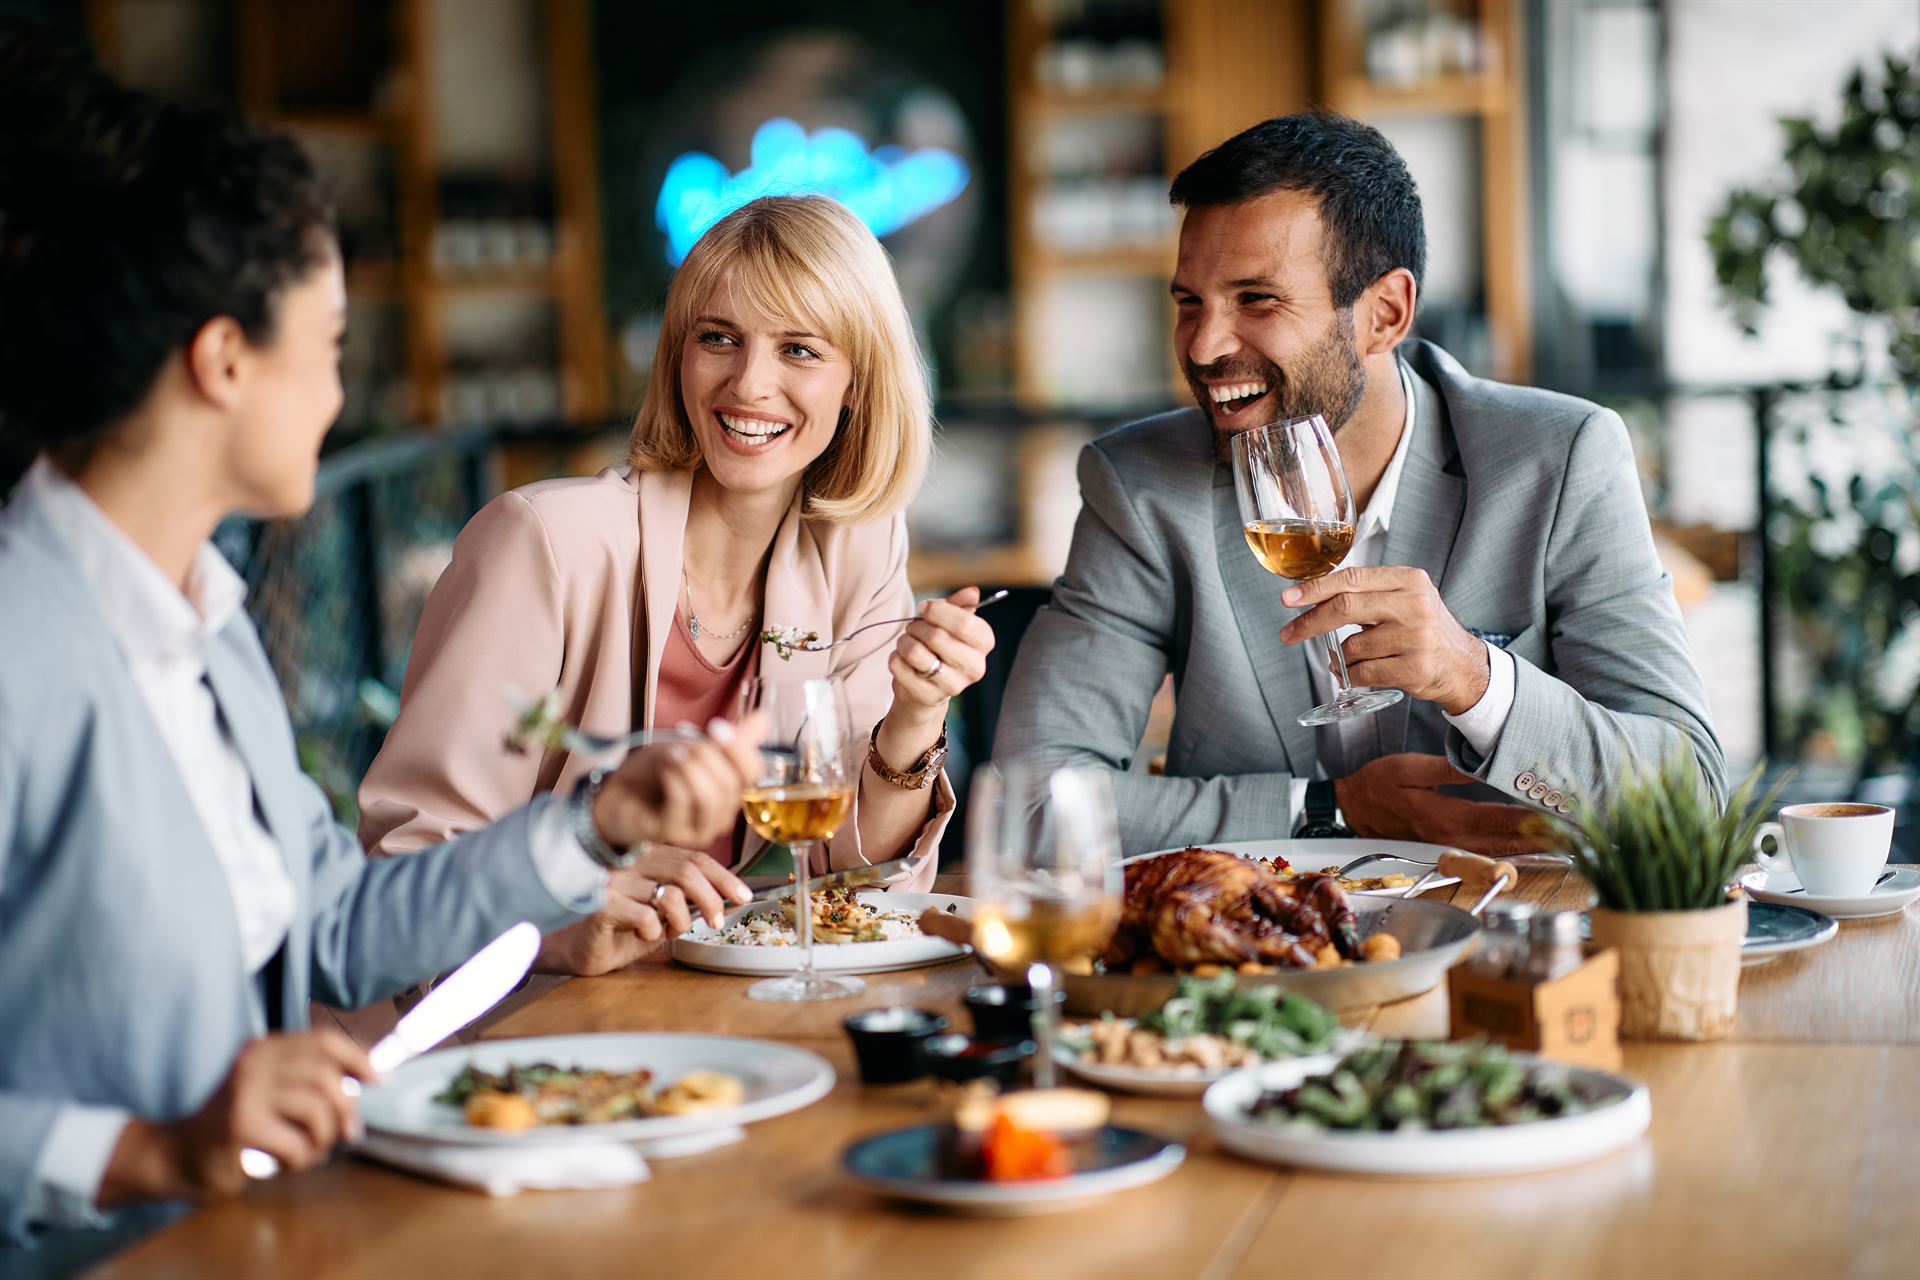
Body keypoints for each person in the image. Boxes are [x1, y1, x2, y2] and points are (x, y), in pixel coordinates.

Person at [0, 37, 762, 1270]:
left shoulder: (205, 622)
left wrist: (594, 825)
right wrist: (141, 1150)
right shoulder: (21, 646)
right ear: (224, 358)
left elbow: (339, 927)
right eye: (334, 345)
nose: (339, 396)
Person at [993, 112, 1725, 854]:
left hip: (1507, 938)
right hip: (1258, 958)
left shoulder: (1560, 458)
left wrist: (1476, 680)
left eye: (1256, 299)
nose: (1205, 346)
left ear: (1385, 313)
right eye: (1190, 303)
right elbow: (1027, 803)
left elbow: (1690, 799)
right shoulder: (1143, 487)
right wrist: (1326, 808)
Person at [357, 194, 994, 977]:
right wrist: (554, 927)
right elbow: (404, 860)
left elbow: (852, 876)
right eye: (719, 338)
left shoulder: (857, 545)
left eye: (799, 350)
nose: (750, 384)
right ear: (678, 356)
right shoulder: (543, 543)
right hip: (502, 1026)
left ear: (857, 382)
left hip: (688, 1011)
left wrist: (917, 714)